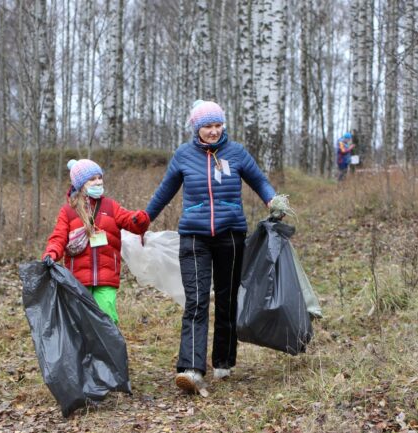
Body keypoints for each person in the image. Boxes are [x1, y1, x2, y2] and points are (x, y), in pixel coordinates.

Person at [145, 100, 277, 394]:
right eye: (208, 126)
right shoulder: (183, 155)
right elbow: (164, 191)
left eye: (218, 125)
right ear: (196, 128)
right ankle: (191, 368)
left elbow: (260, 181)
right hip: (194, 236)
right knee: (196, 300)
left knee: (228, 299)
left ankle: (224, 360)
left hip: (231, 235)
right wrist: (143, 220)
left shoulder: (237, 152)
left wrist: (273, 200)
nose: (214, 131)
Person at [42, 159, 150, 325]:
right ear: (80, 184)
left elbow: (129, 221)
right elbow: (58, 237)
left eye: (100, 177)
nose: (98, 182)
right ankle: (83, 350)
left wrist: (139, 219)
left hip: (106, 274)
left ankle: (108, 349)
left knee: (106, 314)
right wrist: (51, 253)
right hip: (77, 278)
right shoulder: (68, 211)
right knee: (80, 319)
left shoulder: (111, 206)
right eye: (92, 179)